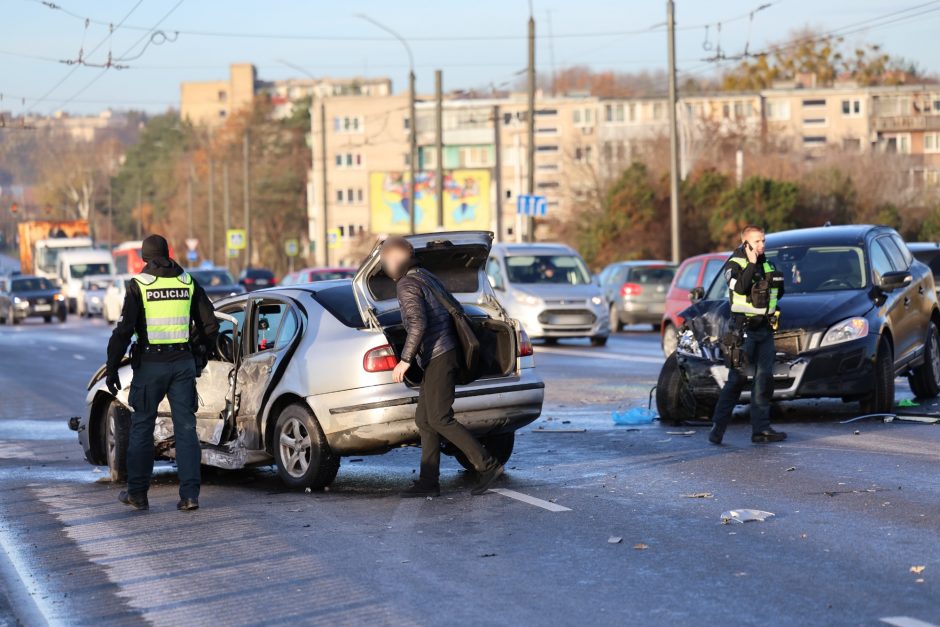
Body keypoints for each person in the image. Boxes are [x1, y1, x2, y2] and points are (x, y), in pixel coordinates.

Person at [380, 236, 503, 497]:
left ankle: (487, 464)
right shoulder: (424, 275)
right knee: (425, 420)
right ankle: (428, 482)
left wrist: (404, 360)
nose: (384, 267)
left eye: (384, 261)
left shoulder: (407, 283)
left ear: (395, 258)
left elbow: (417, 324)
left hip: (439, 355)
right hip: (443, 353)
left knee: (438, 418)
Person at [105, 234, 218, 511]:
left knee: (142, 428)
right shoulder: (187, 282)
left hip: (151, 366)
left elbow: (123, 331)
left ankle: (138, 494)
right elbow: (210, 324)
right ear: (167, 254)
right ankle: (190, 496)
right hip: (182, 364)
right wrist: (201, 353)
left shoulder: (139, 286)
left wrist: (111, 368)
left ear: (145, 257)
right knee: (186, 429)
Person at [709, 225, 787, 445]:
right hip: (744, 332)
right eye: (757, 241)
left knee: (764, 380)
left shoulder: (767, 264)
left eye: (763, 241)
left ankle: (761, 430)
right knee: (736, 380)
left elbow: (779, 292)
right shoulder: (734, 264)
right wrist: (752, 265)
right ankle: (718, 428)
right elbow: (740, 288)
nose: (762, 245)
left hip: (764, 330)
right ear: (746, 244)